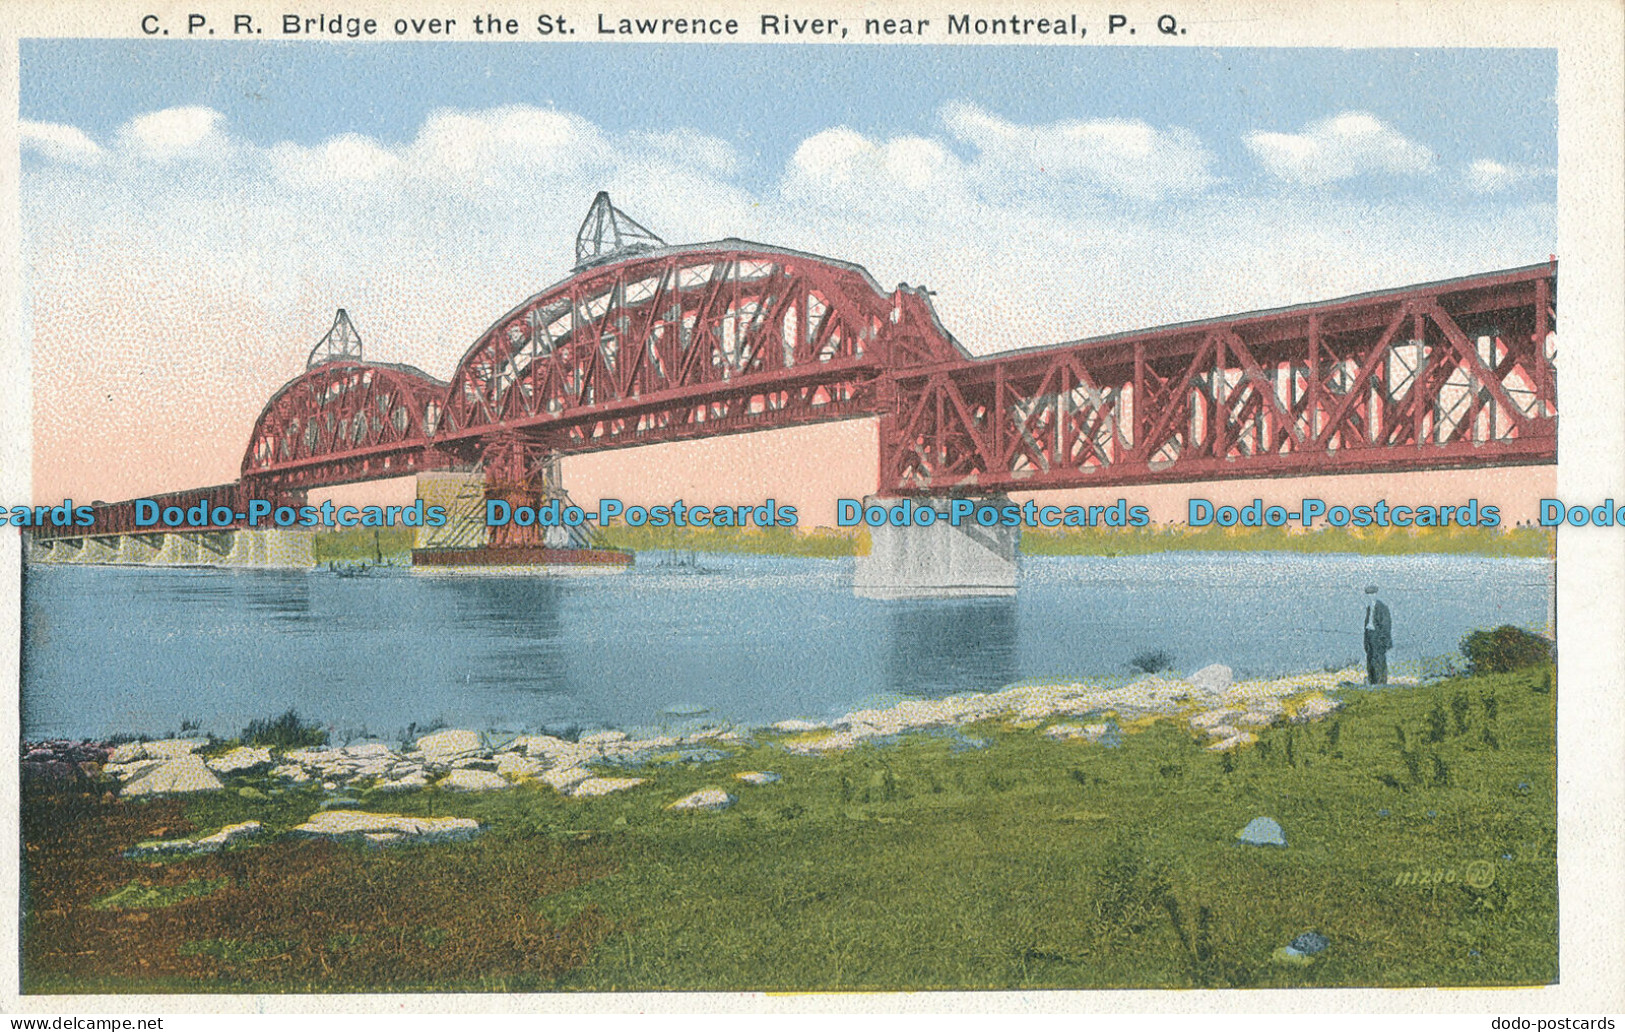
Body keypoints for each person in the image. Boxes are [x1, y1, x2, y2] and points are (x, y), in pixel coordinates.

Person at [1363, 585, 1392, 684]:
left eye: (1372, 594)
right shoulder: (1369, 608)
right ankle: (1372, 681)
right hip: (1370, 636)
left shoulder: (1382, 608)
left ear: (1376, 594)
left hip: (1379, 637)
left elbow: (1386, 625)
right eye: (1369, 594)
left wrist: (1383, 640)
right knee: (1370, 658)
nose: (1370, 596)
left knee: (1379, 659)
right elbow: (1367, 625)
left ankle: (1381, 682)